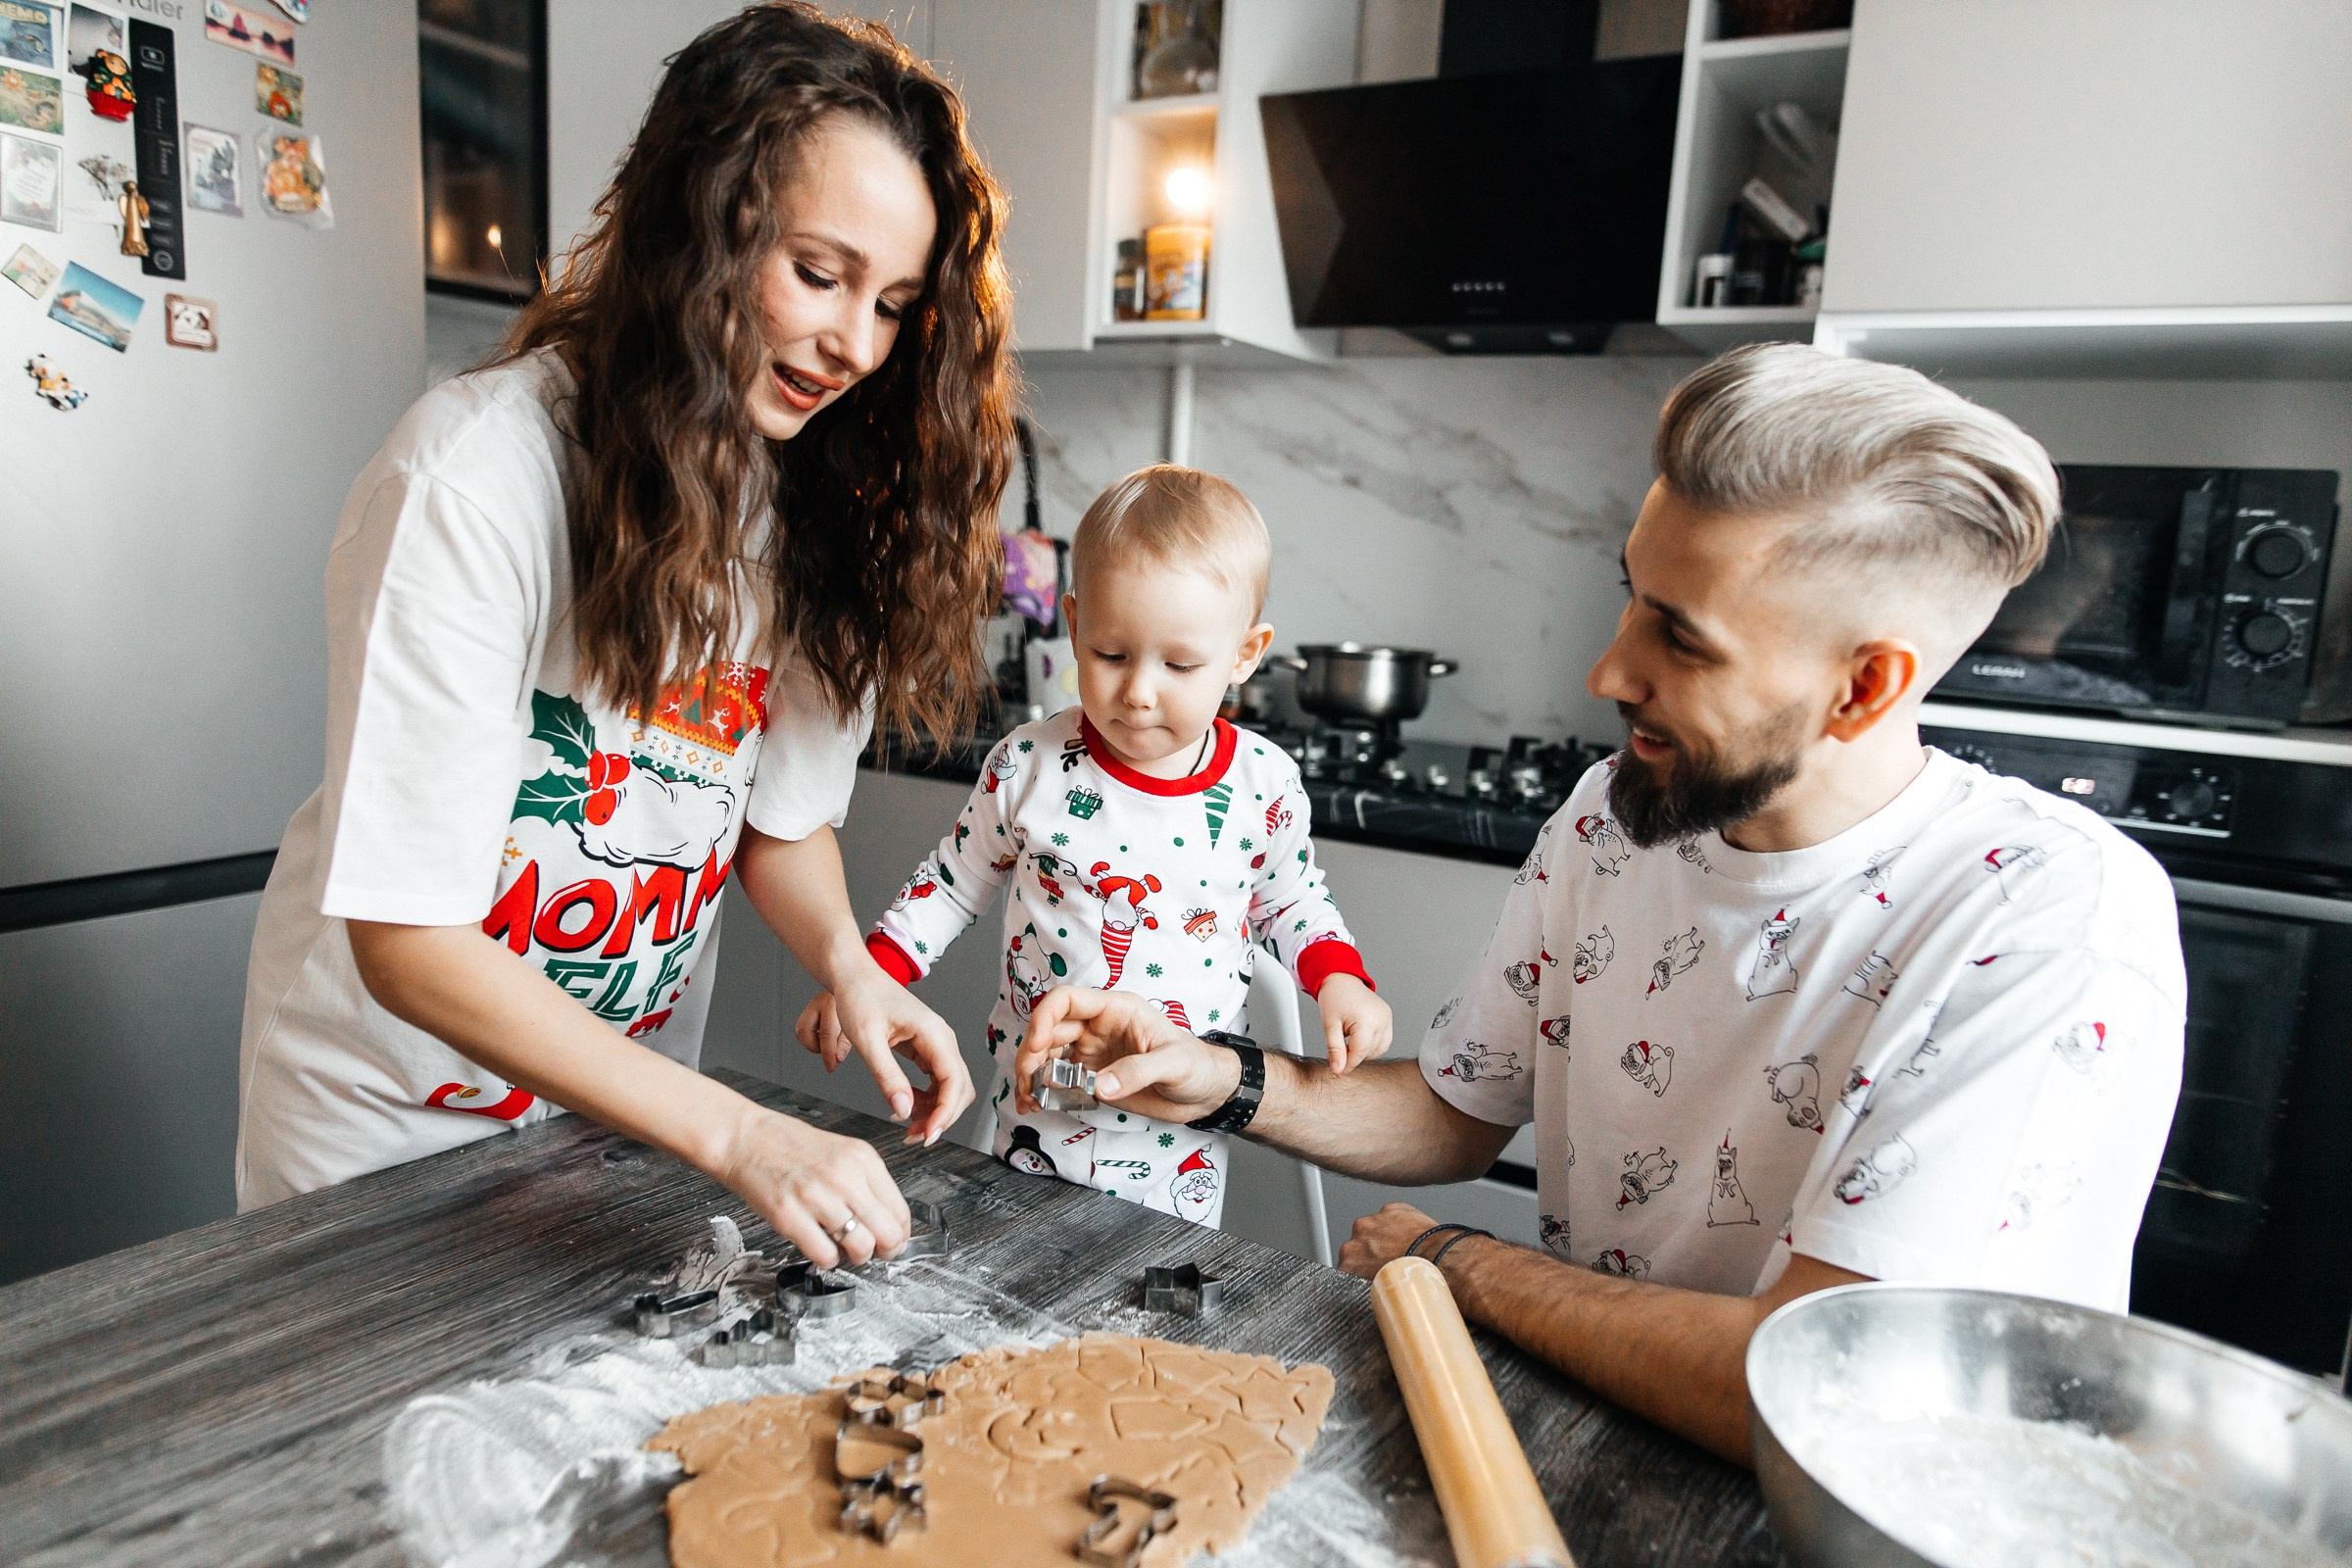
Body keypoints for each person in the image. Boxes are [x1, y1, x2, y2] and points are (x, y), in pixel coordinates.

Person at [1012, 345, 2186, 1464]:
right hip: (1594, 1437)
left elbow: (1820, 1393)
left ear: (1863, 685)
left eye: (1679, 636)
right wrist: (1221, 1076)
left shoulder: (2048, 922)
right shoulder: (1615, 816)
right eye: (1634, 597)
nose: (1609, 671)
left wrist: (1461, 1263)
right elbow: (1456, 1110)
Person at [236, 4, 1015, 1269]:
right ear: (699, 225)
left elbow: (781, 820)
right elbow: (409, 942)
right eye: (819, 275)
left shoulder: (811, 501)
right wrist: (745, 1137)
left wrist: (849, 963)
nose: (854, 345)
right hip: (373, 1149)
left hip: (609, 1134)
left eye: (894, 304)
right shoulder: (478, 475)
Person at [800, 466, 1394, 1226]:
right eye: (1112, 655)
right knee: (1021, 1268)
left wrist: (1339, 978)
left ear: (1245, 653)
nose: (1140, 691)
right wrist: (867, 979)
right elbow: (948, 884)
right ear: (1074, 626)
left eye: (1180, 665)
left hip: (1181, 1122)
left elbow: (1291, 898)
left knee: (1149, 1281)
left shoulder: (1261, 784)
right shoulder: (1030, 764)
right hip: (1037, 1095)